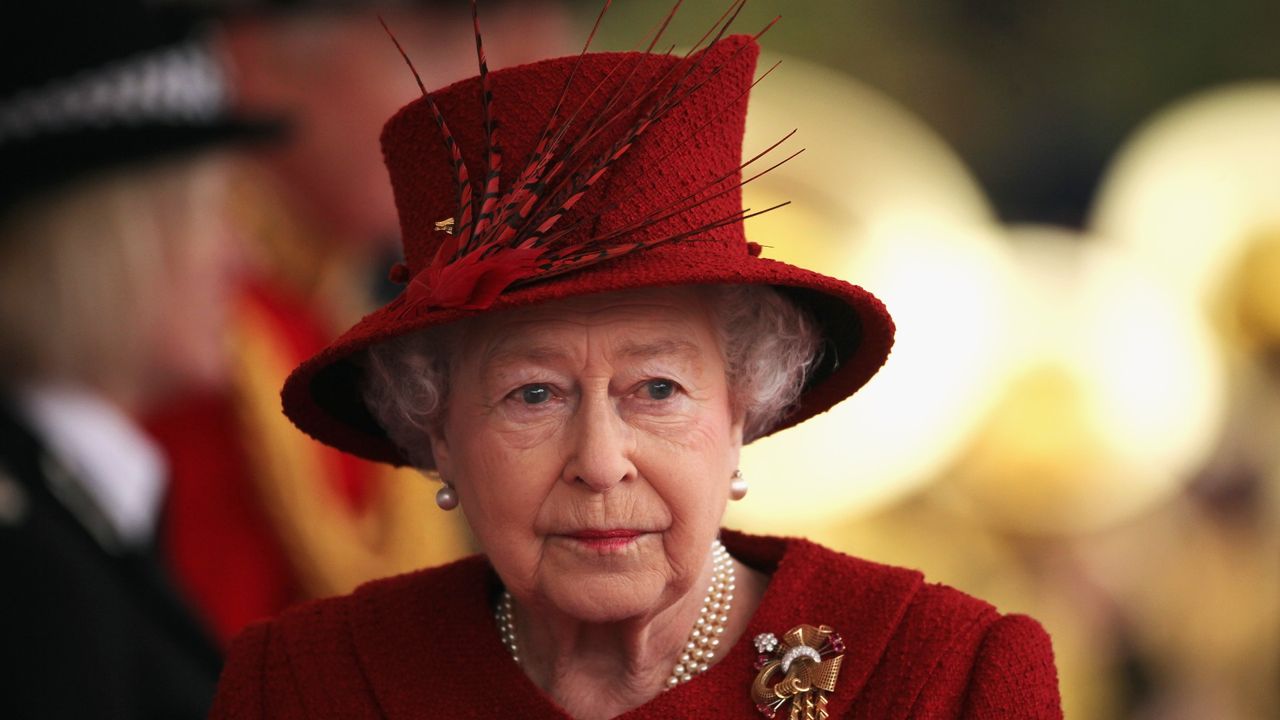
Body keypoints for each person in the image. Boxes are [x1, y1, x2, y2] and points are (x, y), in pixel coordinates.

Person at [210, 3, 1063, 718]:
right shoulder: (302, 686)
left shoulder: (944, 678)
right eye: (532, 394)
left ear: (742, 409)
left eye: (657, 388)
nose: (599, 462)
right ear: (437, 433)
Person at [0, 0, 277, 716]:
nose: (239, 256)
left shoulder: (71, 508)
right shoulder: (29, 570)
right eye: (208, 213)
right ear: (107, 246)